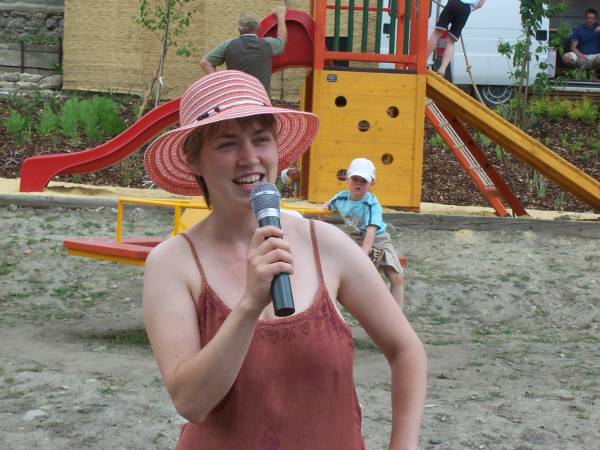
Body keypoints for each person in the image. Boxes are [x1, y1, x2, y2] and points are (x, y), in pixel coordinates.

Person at [142, 70, 427, 449]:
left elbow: (407, 350)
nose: (249, 158)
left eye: (261, 139)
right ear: (194, 159)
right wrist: (249, 305)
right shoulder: (172, 264)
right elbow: (191, 402)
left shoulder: (325, 244)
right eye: (228, 144)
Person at [324, 158, 406, 308]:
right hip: (355, 240)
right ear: (347, 178)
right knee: (355, 277)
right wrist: (324, 215)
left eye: (364, 180)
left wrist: (363, 254)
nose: (359, 183)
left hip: (378, 240)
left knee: (396, 278)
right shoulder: (340, 198)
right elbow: (326, 208)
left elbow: (371, 231)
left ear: (372, 183)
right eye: (355, 179)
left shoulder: (371, 204)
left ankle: (397, 315)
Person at [199, 7, 288, 94]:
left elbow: (205, 63)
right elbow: (282, 41)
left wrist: (219, 85)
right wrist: (280, 16)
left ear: (239, 29)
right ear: (258, 28)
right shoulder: (268, 44)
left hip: (236, 100)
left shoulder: (228, 45)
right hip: (259, 100)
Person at [426, 0, 486, 76]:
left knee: (437, 33)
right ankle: (442, 70)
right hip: (466, 9)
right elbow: (480, 4)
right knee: (451, 42)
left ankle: (423, 61)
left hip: (454, 2)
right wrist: (468, 10)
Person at [562, 8, 600, 79]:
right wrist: (580, 55)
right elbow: (573, 47)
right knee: (566, 58)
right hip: (581, 56)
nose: (590, 20)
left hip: (595, 57)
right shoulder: (579, 29)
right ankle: (580, 72)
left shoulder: (598, 27)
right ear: (585, 18)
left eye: (592, 18)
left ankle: (592, 75)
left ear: (595, 19)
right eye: (588, 18)